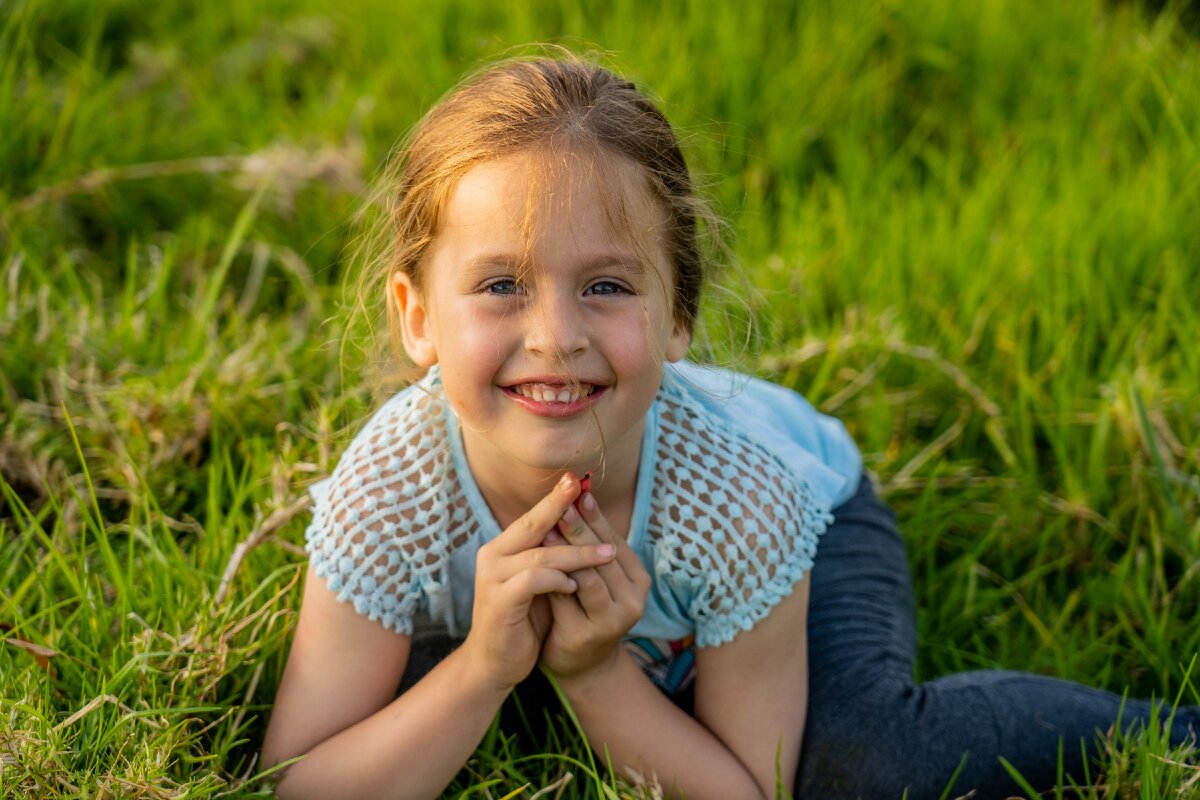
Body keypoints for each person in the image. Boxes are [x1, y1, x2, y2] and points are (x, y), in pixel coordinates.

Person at [261, 53, 1197, 800]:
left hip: (819, 524)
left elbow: (757, 787)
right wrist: (481, 668)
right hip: (541, 611)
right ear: (416, 316)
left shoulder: (743, 499)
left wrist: (590, 674)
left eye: (607, 286)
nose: (556, 338)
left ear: (678, 318)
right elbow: (295, 782)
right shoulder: (389, 495)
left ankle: (1169, 730)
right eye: (501, 285)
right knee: (435, 695)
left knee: (862, 762)